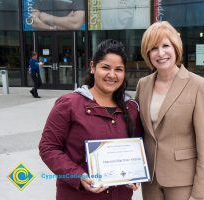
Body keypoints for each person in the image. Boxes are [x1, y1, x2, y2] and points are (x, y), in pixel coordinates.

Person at [39, 39, 143, 200]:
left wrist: (136, 174)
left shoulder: (130, 108)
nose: (112, 75)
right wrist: (78, 175)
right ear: (93, 67)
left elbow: (136, 148)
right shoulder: (69, 104)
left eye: (119, 69)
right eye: (105, 67)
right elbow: (48, 147)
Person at [135, 21, 204, 200]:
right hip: (150, 178)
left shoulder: (199, 85)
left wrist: (200, 192)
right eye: (154, 48)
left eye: (165, 45)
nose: (160, 53)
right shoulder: (143, 84)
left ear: (176, 48)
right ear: (148, 53)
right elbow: (136, 130)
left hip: (182, 179)